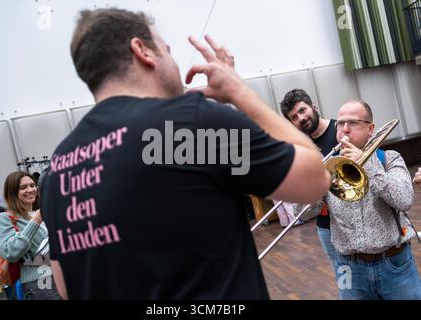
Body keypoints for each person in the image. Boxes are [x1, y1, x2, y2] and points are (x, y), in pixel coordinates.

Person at [40, 8, 330, 300]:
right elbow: (315, 178)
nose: (175, 63)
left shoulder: (58, 167)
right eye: (167, 50)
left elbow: (65, 286)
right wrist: (239, 91)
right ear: (142, 50)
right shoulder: (185, 126)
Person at [300, 100, 421, 300]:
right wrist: (315, 183)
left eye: (353, 123)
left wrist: (368, 168)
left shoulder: (389, 159)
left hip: (394, 263)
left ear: (370, 128)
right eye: (340, 124)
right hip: (347, 268)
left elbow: (404, 200)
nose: (344, 129)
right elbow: (302, 213)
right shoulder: (326, 166)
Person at [280, 89, 339, 270]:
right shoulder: (299, 148)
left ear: (314, 107)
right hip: (326, 225)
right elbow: (302, 205)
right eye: (294, 117)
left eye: (302, 111)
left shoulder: (340, 129)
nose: (300, 119)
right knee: (344, 277)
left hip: (354, 219)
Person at [0, 171, 60, 300]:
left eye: (32, 185)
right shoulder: (3, 218)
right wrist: (35, 221)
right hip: (40, 281)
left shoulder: (42, 212)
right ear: (12, 192)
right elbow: (10, 253)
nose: (30, 190)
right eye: (23, 187)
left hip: (61, 275)